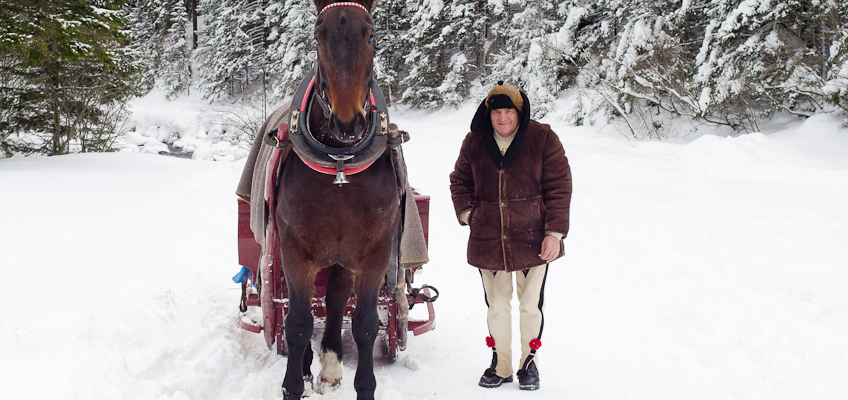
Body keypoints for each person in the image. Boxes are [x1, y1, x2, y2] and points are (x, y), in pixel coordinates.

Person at [449, 82, 572, 391]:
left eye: (508, 111)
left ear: (520, 113)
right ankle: (501, 364)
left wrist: (554, 234)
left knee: (531, 306)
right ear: (488, 114)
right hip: (488, 241)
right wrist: (469, 215)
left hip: (534, 241)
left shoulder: (543, 138)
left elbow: (560, 187)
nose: (502, 119)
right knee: (497, 306)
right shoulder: (474, 141)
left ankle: (529, 363)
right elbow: (459, 181)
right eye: (496, 112)